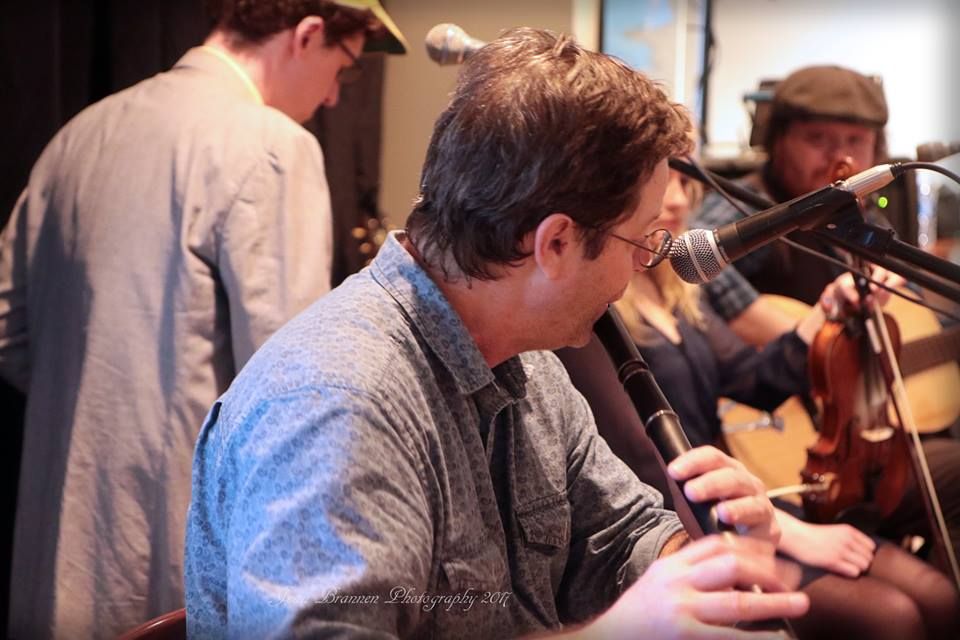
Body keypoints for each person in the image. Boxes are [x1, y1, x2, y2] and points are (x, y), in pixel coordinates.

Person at [184, 27, 810, 639]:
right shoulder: (336, 407)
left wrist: (705, 561)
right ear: (556, 243)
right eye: (641, 241)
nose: (642, 266)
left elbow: (621, 539)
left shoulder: (529, 365)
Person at [0, 1, 407, 637]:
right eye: (344, 67)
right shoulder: (273, 146)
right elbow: (295, 394)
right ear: (307, 35)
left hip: (53, 547)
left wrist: (96, 420)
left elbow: (9, 329)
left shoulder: (79, 134)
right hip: (173, 558)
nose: (333, 97)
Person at [610, 166, 959, 639]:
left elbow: (754, 380)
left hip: (737, 505)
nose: (675, 201)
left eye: (681, 183)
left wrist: (827, 313)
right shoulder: (603, 311)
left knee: (939, 596)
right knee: (893, 617)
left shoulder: (678, 293)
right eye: (661, 184)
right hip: (688, 521)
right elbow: (647, 467)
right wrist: (793, 532)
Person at [690, 63, 960, 572]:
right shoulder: (743, 208)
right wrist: (826, 352)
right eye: (817, 139)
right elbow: (689, 272)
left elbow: (912, 307)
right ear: (778, 141)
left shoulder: (863, 214)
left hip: (867, 439)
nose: (840, 156)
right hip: (786, 439)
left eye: (856, 140)